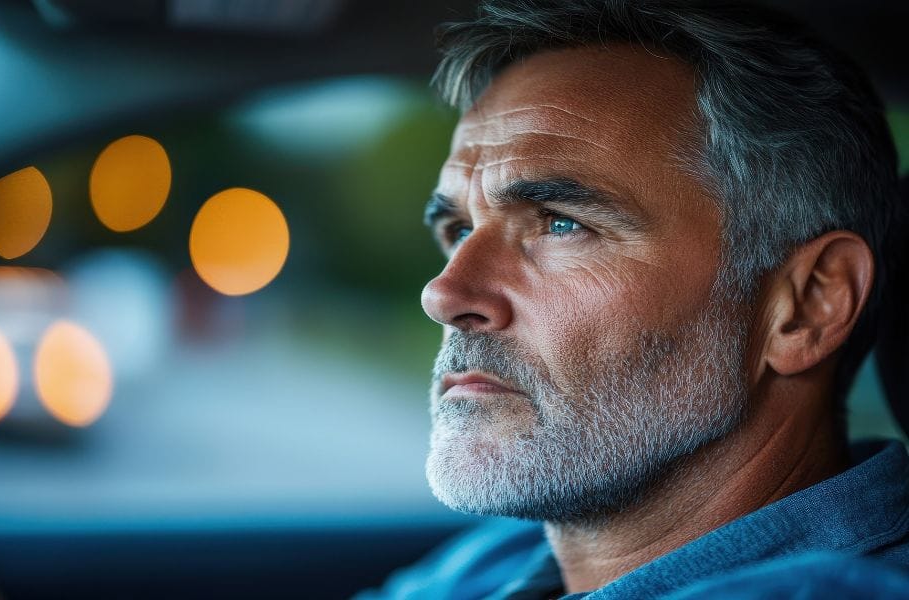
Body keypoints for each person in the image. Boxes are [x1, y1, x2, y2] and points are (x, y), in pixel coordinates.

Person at [359, 0, 909, 598]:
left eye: (562, 224)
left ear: (806, 306)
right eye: (460, 230)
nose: (443, 294)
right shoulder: (488, 563)